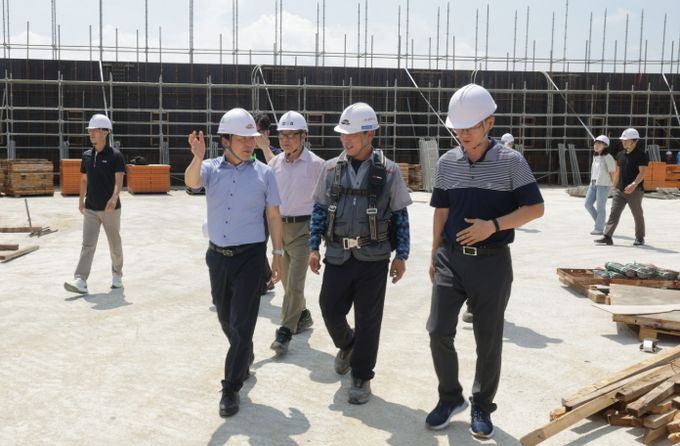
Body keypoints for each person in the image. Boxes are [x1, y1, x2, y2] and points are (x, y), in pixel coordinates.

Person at [425, 84, 544, 438]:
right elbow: (441, 211)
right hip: (450, 260)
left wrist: (492, 226)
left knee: (487, 340)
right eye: (458, 129)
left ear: (489, 123)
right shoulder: (447, 163)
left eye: (470, 127)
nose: (463, 135)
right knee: (438, 330)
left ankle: (482, 404)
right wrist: (434, 253)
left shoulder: (511, 162)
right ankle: (450, 397)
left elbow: (535, 208)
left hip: (492, 263)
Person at [308, 102, 412, 405]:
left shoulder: (389, 171)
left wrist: (402, 255)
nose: (345, 140)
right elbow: (319, 210)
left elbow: (400, 215)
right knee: (329, 307)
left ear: (370, 134)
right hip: (338, 254)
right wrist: (313, 247)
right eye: (343, 134)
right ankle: (348, 344)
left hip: (373, 258)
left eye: (351, 134)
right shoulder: (330, 169)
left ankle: (361, 375)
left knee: (368, 318)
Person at [184, 107, 283, 417]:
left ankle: (231, 387)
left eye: (252, 138)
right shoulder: (211, 168)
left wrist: (277, 254)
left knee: (242, 323)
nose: (249, 144)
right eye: (242, 138)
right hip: (218, 257)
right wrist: (197, 157)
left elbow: (273, 215)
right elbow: (191, 182)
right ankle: (245, 352)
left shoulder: (265, 173)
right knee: (226, 318)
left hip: (251, 258)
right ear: (225, 140)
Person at [268, 111, 325, 355]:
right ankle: (302, 315)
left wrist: (319, 238)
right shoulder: (273, 165)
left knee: (294, 284)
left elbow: (324, 202)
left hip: (304, 230)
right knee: (286, 281)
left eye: (292, 135)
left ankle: (285, 332)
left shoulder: (317, 165)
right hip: (280, 229)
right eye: (282, 135)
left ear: (304, 136)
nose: (286, 140)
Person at [64, 114, 125, 294]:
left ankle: (117, 275)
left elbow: (119, 180)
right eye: (90, 130)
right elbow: (84, 180)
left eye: (95, 130)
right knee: (87, 244)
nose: (91, 133)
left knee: (114, 244)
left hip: (110, 209)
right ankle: (80, 280)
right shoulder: (87, 156)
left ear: (105, 132)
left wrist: (114, 197)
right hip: (90, 208)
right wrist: (81, 201)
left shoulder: (115, 156)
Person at [595, 128, 649, 246]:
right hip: (620, 190)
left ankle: (640, 238)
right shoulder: (620, 155)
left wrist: (634, 184)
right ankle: (607, 236)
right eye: (623, 140)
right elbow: (617, 172)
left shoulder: (641, 155)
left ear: (634, 141)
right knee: (614, 213)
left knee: (637, 214)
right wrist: (613, 187)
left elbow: (643, 172)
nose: (623, 142)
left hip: (635, 191)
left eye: (626, 140)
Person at [255, 113, 283, 294]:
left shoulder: (276, 153)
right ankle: (265, 279)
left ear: (267, 133)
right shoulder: (246, 152)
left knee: (259, 244)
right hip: (251, 206)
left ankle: (265, 279)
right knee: (254, 244)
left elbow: (278, 170)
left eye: (259, 132)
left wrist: (264, 147)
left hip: (269, 208)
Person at [584, 135, 616, 235]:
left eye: (599, 144)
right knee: (587, 204)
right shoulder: (596, 156)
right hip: (593, 183)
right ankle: (601, 223)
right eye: (595, 143)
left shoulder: (608, 157)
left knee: (600, 207)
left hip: (603, 184)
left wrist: (614, 185)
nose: (596, 145)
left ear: (605, 146)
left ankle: (599, 228)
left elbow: (612, 172)